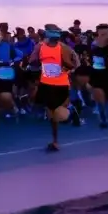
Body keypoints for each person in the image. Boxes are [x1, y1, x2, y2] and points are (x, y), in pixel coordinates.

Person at [29, 24, 77, 152]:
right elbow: (32, 61)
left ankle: (71, 112)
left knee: (56, 113)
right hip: (46, 84)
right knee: (51, 115)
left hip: (61, 85)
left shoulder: (64, 48)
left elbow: (75, 63)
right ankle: (55, 141)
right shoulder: (40, 47)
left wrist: (67, 68)